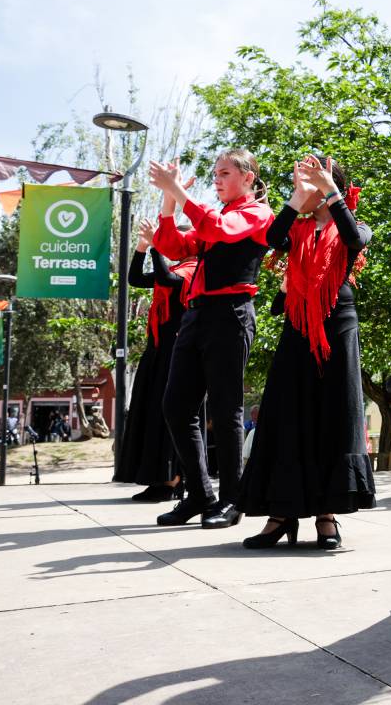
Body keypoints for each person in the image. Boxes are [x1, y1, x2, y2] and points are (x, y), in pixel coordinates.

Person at [237, 154, 376, 549]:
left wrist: (330, 190)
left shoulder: (355, 223)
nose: (308, 188)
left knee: (333, 413)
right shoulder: (295, 228)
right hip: (297, 323)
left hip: (338, 322)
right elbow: (269, 239)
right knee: (287, 414)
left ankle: (327, 517)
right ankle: (280, 516)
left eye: (314, 182)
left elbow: (354, 239)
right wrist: (297, 198)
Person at [149, 149, 274, 529]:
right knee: (176, 406)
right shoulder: (216, 215)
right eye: (215, 173)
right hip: (197, 315)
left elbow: (219, 230)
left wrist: (179, 192)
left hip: (231, 313)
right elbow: (170, 246)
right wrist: (170, 199)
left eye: (224, 173)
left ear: (248, 177)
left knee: (226, 408)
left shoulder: (257, 213)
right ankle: (200, 495)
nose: (216, 179)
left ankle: (232, 499)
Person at [114, 218, 198, 502]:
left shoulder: (195, 269)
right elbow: (135, 279)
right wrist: (142, 246)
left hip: (180, 349)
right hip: (158, 348)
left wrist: (156, 248)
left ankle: (174, 479)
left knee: (171, 414)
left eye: (178, 240)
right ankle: (158, 477)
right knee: (150, 411)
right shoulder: (174, 267)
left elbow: (165, 279)